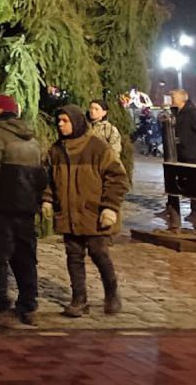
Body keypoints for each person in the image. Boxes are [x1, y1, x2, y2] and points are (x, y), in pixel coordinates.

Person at [0, 94, 47, 325]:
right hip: (26, 207)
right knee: (25, 255)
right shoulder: (31, 139)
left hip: (0, 204)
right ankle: (29, 304)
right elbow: (41, 177)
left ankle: (1, 300)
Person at [45, 105, 129, 317]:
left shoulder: (97, 148)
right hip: (69, 214)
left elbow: (117, 178)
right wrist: (47, 200)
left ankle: (112, 293)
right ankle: (79, 299)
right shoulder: (56, 150)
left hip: (94, 213)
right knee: (74, 257)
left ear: (76, 122)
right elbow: (47, 180)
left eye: (65, 121)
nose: (60, 125)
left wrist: (110, 207)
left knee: (99, 253)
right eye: (59, 121)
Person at [167, 89, 196, 225]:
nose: (171, 98)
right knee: (172, 181)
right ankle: (171, 209)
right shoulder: (175, 112)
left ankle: (195, 212)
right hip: (176, 153)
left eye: (173, 96)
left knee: (193, 183)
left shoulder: (192, 113)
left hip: (189, 154)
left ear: (183, 98)